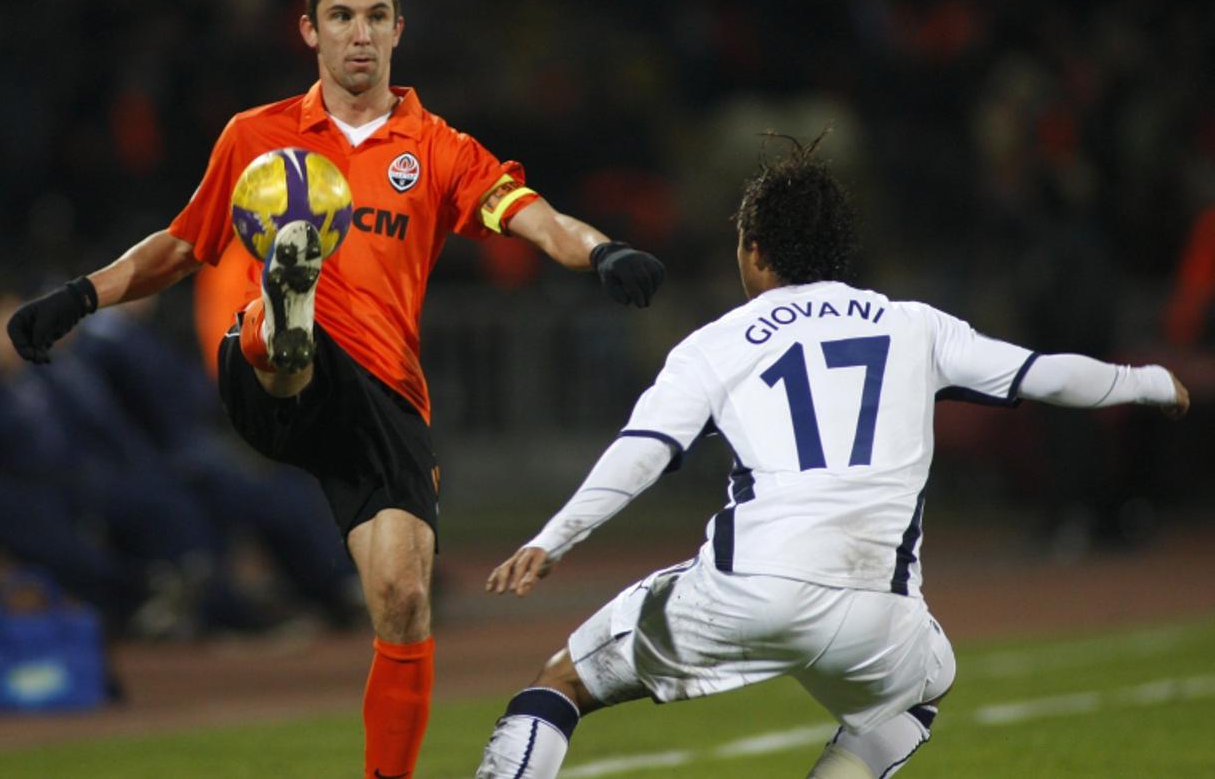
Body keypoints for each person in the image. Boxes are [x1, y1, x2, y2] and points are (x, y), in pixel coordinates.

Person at [5, 0, 664, 778]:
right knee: (288, 342)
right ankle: (285, 320)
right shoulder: (256, 136)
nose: (361, 34)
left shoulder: (435, 148)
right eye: (343, 17)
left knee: (403, 601)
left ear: (397, 30)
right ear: (311, 31)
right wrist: (79, 296)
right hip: (267, 378)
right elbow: (182, 244)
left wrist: (603, 251)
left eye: (377, 16)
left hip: (383, 398)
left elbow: (533, 218)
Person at [474, 137, 1189, 779]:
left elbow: (644, 452)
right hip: (877, 612)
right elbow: (1046, 374)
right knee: (921, 691)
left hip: (744, 592)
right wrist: (1148, 382)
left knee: (561, 684)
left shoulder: (718, 341)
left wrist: (553, 537)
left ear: (754, 251)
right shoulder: (915, 325)